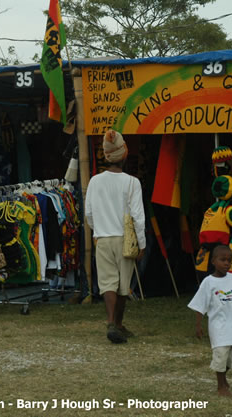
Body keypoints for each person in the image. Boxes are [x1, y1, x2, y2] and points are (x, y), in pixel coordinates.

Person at [85, 129, 146, 344]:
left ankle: (114, 323)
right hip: (125, 239)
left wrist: (97, 231)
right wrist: (142, 243)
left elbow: (89, 214)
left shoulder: (94, 181)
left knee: (107, 284)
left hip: (102, 238)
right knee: (122, 285)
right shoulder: (132, 183)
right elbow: (138, 216)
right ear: (124, 154)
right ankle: (116, 324)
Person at [188, 245, 232, 397]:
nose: (226, 263)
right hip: (219, 327)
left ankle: (224, 377)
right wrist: (198, 325)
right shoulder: (208, 282)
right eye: (222, 260)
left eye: (229, 260)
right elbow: (200, 305)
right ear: (213, 261)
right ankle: (221, 385)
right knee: (221, 356)